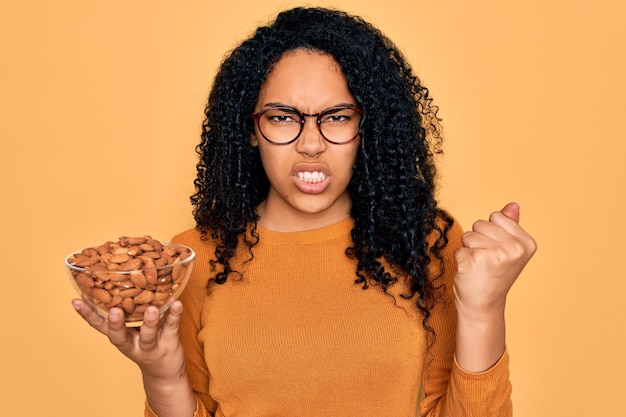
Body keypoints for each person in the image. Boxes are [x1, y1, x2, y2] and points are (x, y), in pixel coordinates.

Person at [72, 7, 536, 417]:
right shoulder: (193, 259)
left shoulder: (423, 240)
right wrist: (163, 377)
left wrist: (484, 311)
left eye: (336, 117)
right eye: (282, 117)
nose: (310, 144)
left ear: (365, 126)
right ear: (251, 129)